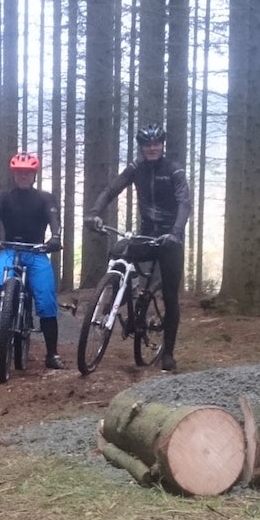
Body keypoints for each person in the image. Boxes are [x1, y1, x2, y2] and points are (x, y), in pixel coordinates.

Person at [88, 123, 190, 373]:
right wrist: (94, 213)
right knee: (118, 251)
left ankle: (167, 353)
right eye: (147, 144)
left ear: (162, 145)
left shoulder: (173, 170)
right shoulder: (136, 168)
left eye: (156, 144)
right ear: (142, 147)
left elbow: (184, 204)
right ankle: (123, 290)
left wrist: (175, 233)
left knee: (170, 296)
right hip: (146, 234)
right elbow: (112, 190)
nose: (152, 148)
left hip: (169, 239)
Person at [0, 152, 65, 370]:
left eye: (28, 173)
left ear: (34, 175)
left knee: (46, 299)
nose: (23, 176)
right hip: (8, 249)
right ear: (14, 175)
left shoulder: (45, 198)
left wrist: (55, 238)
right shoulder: (4, 197)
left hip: (36, 252)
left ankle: (52, 354)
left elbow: (54, 221)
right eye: (19, 173)